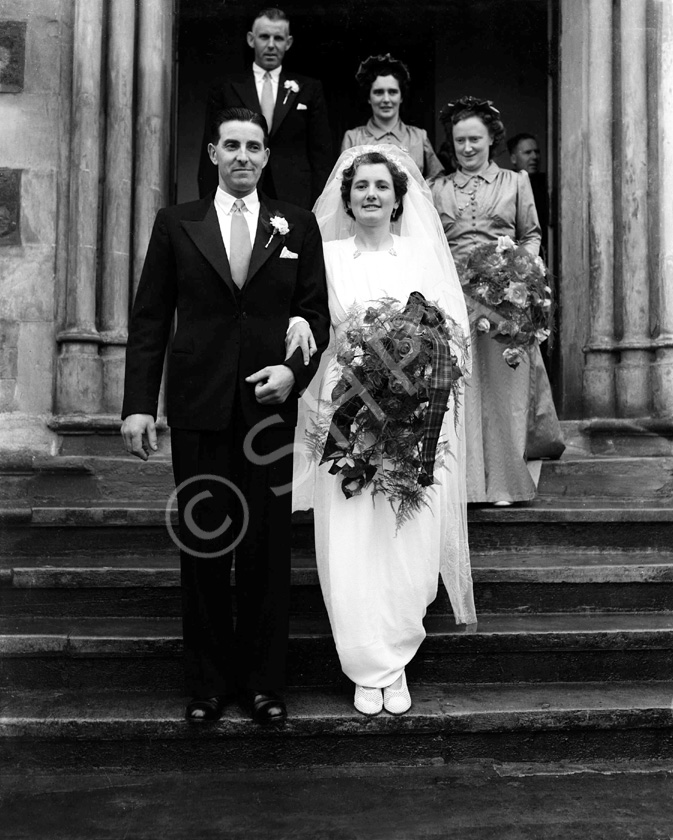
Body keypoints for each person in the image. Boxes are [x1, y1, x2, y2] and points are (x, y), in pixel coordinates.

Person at [121, 107, 330, 726]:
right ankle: (208, 685)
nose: (244, 156)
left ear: (267, 156)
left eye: (254, 147)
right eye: (231, 145)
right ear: (212, 153)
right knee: (206, 544)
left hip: (269, 411)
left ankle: (265, 684)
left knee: (267, 550)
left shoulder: (296, 223)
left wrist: (296, 374)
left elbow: (316, 315)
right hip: (198, 407)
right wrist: (138, 405)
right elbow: (150, 318)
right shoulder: (176, 223)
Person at [294, 145, 476, 716]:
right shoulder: (324, 256)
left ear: (399, 199)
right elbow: (308, 316)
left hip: (414, 415)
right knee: (348, 536)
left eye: (381, 186)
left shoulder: (421, 254)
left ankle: (395, 658)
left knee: (406, 539)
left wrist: (415, 371)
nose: (370, 194)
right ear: (345, 199)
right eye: (360, 187)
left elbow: (452, 337)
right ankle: (363, 663)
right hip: (346, 409)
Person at [430, 97, 564, 505]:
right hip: (454, 300)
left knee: (505, 393)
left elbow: (532, 234)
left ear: (491, 140)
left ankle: (506, 483)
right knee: (463, 390)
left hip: (505, 301)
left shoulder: (515, 182)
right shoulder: (436, 188)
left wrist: (519, 271)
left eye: (475, 139)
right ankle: (467, 486)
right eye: (459, 141)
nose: (467, 148)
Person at [197, 7, 333, 209]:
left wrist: (318, 206)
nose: (271, 45)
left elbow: (321, 156)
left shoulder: (309, 89)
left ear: (288, 43)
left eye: (278, 38)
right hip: (239, 190)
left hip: (295, 196)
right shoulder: (226, 88)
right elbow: (210, 152)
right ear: (251, 40)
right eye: (264, 37)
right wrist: (210, 205)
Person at [341, 54, 443, 179]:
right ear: (368, 97)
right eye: (378, 92)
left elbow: (436, 182)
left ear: (401, 97)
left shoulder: (419, 137)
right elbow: (343, 184)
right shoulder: (353, 138)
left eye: (392, 92)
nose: (386, 99)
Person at [508, 132, 548, 252]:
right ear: (513, 158)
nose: (534, 157)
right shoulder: (507, 186)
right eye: (527, 152)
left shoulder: (548, 183)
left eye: (536, 152)